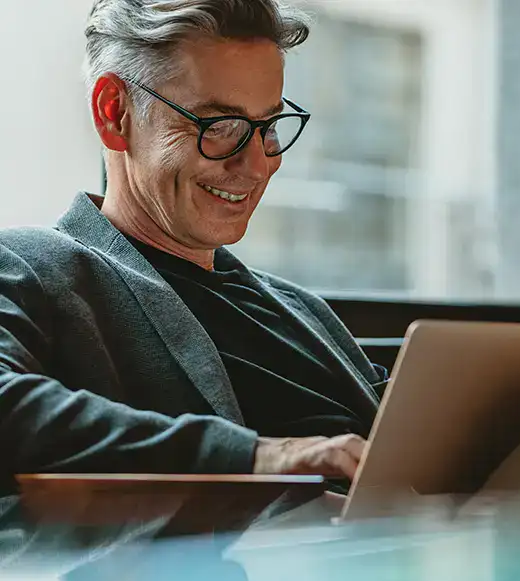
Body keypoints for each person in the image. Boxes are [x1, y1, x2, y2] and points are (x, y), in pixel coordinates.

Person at [0, 0, 390, 550]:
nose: (257, 165)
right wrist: (258, 459)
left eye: (269, 125)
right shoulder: (31, 269)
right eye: (220, 126)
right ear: (115, 112)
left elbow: (403, 433)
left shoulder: (303, 311)